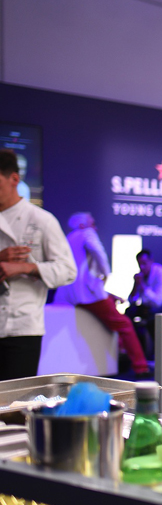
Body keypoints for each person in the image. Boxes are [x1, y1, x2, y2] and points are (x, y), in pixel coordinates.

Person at [0, 149, 76, 380]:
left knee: (12, 405)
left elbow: (67, 270)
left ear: (14, 179)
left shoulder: (41, 220)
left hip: (22, 329)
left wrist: (25, 267)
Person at [54, 212, 151, 377]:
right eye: (92, 223)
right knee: (124, 324)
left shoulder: (69, 238)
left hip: (69, 294)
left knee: (114, 312)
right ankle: (140, 367)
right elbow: (97, 252)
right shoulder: (87, 234)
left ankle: (123, 358)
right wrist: (106, 274)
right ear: (84, 224)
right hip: (88, 294)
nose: (95, 227)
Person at [127, 249, 162, 359]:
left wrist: (143, 285)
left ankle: (156, 356)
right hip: (151, 308)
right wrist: (136, 285)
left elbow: (157, 302)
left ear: (151, 261)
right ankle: (136, 355)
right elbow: (131, 300)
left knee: (152, 317)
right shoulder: (142, 276)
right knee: (129, 312)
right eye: (140, 264)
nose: (142, 267)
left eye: (144, 263)